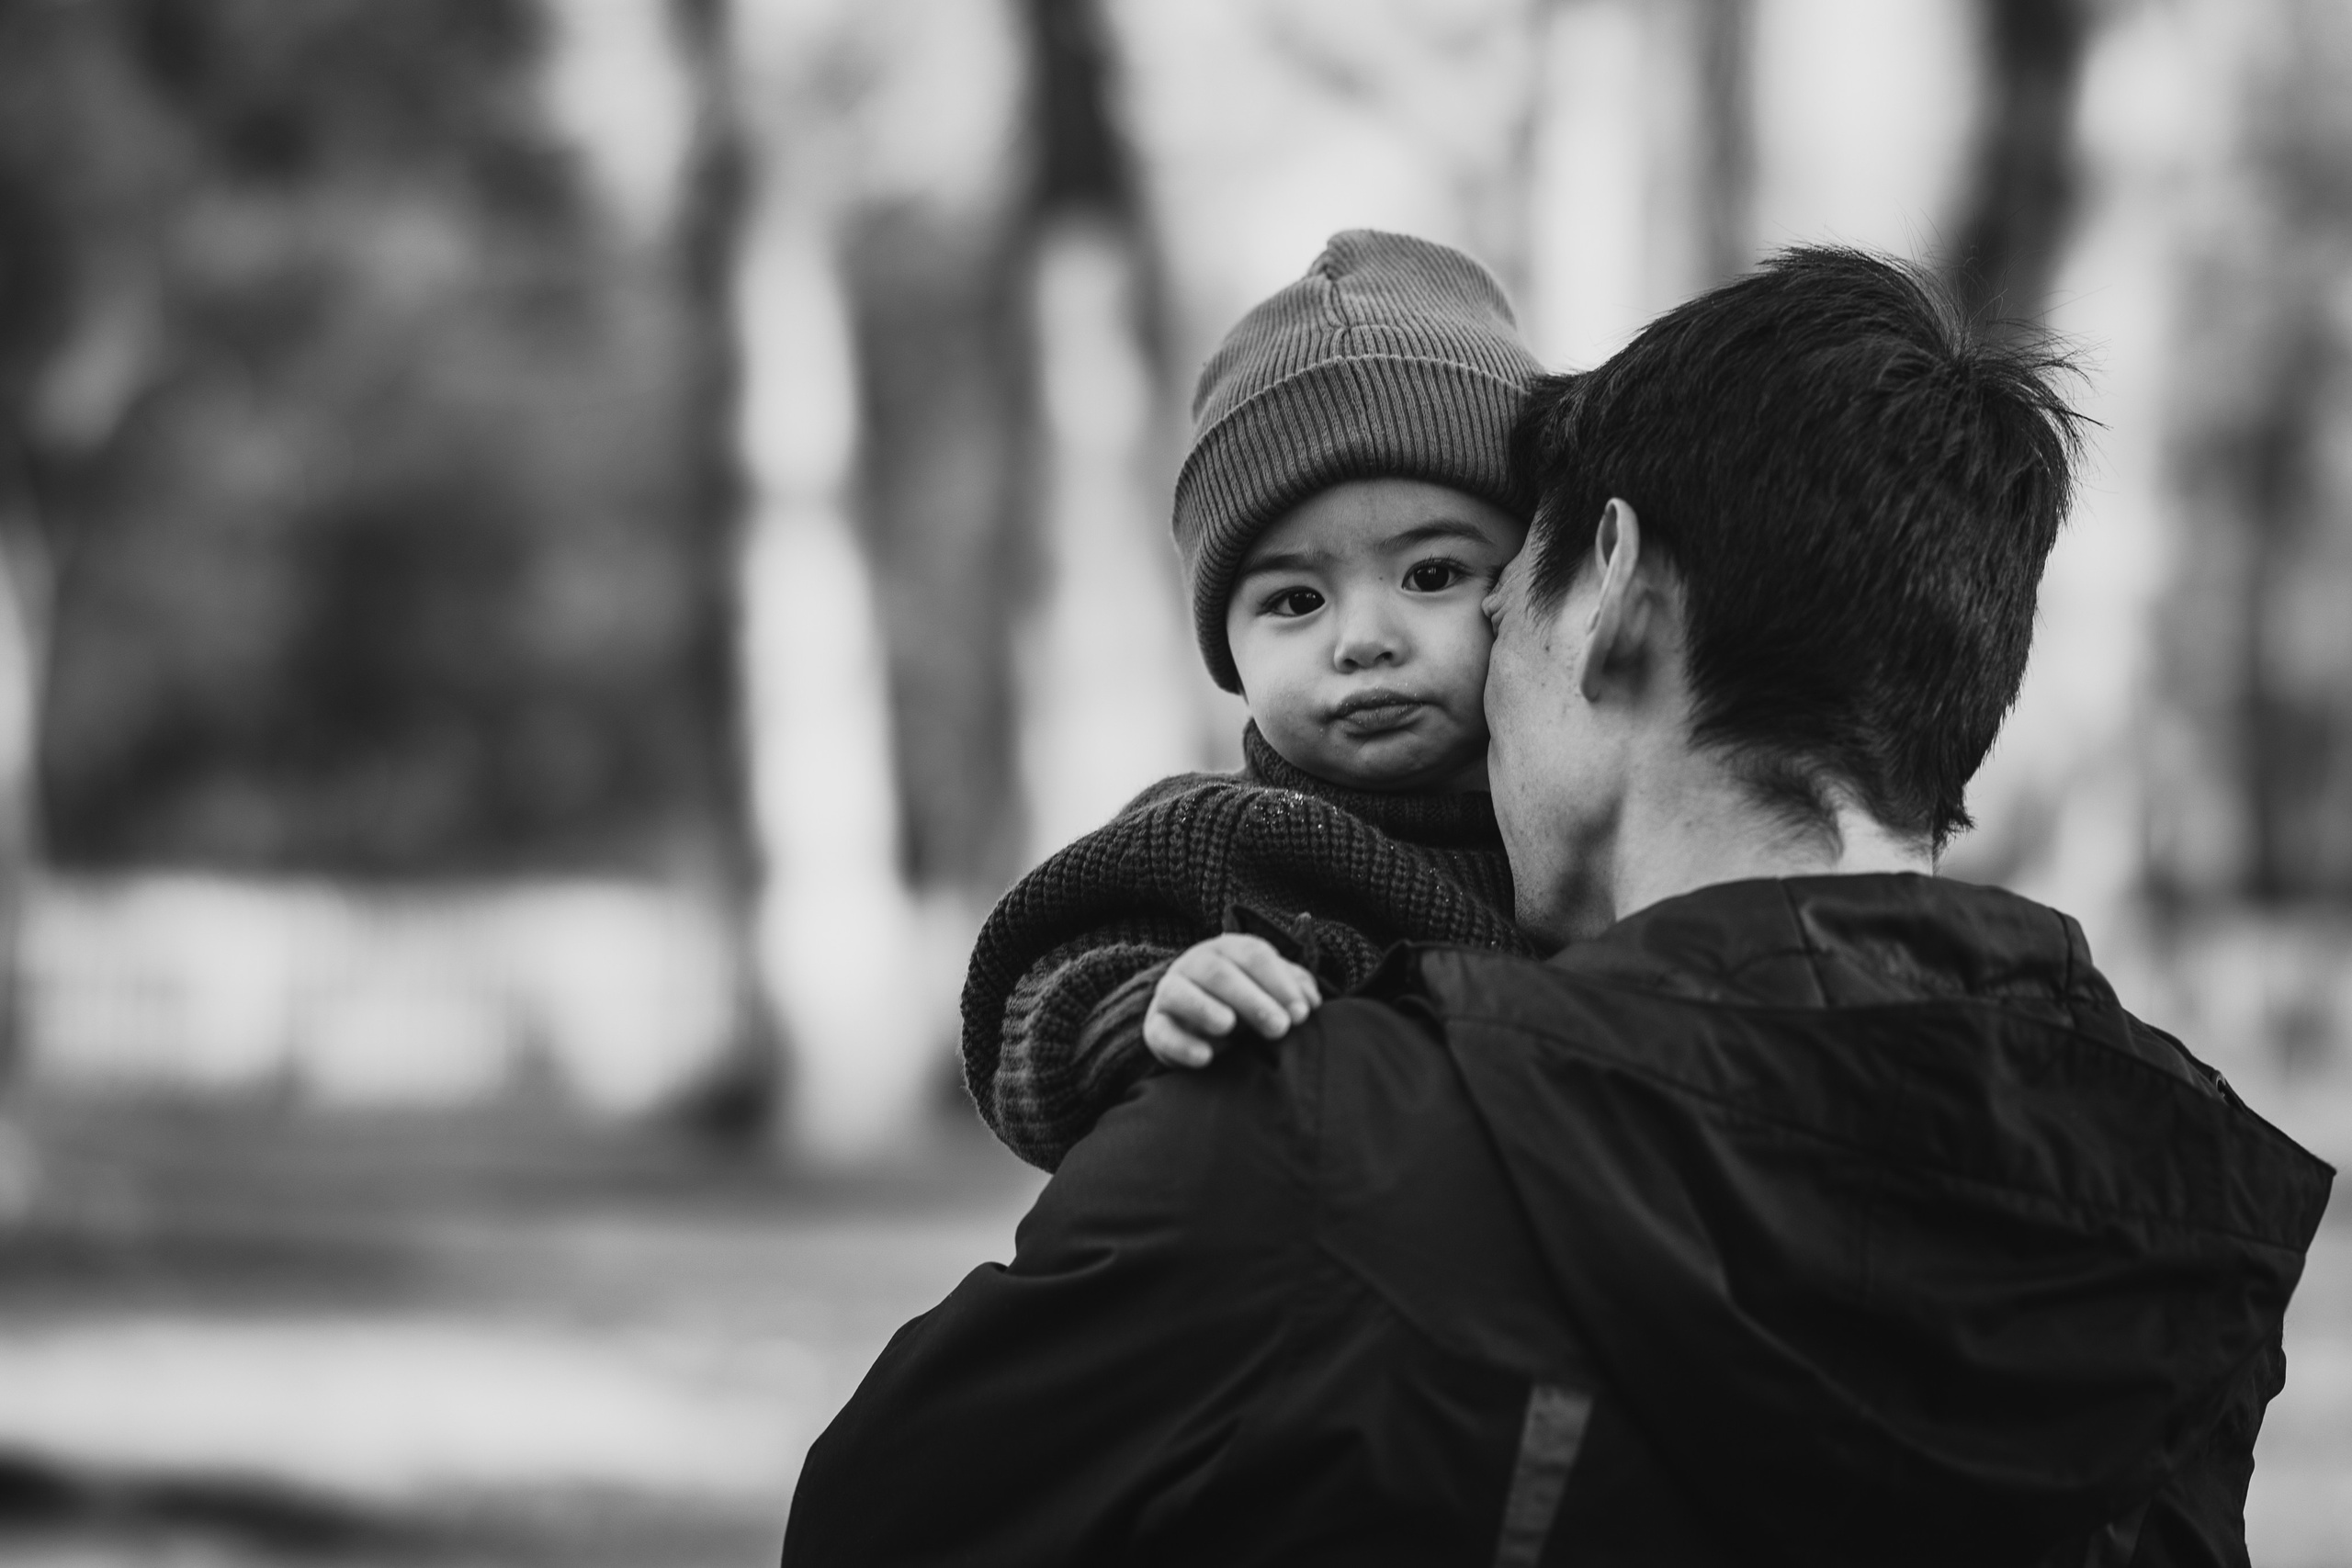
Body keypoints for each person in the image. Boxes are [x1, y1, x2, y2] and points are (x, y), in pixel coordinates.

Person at [783, 249, 2334, 1566]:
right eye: (1297, 597)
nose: (1400, 653)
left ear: (1608, 592)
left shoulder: (1314, 1146)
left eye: (1475, 582)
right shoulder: (2153, 1213)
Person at [964, 229, 1541, 1170]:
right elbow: (1030, 1015)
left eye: (1431, 572)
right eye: (1295, 601)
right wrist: (1150, 1007)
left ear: (1531, 585)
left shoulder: (1582, 843)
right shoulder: (1210, 839)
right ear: (1225, 648)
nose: (1361, 638)